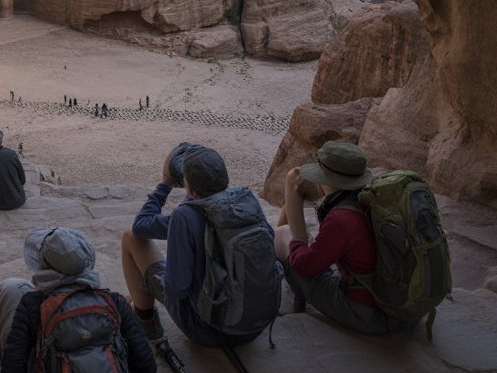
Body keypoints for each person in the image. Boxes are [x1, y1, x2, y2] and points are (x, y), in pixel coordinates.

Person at [0, 227, 156, 373]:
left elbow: (13, 364)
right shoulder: (113, 301)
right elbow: (145, 362)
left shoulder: (32, 305)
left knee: (10, 289)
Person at [121, 144, 277, 347]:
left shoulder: (184, 216)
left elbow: (175, 289)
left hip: (208, 329)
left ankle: (144, 318)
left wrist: (165, 183)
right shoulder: (246, 200)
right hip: (255, 326)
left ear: (191, 189)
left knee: (130, 237)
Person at [274, 140, 403, 334]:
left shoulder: (341, 219)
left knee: (282, 235)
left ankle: (292, 292)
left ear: (327, 180)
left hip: (366, 312)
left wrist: (298, 240)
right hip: (399, 305)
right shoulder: (372, 198)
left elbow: (305, 266)